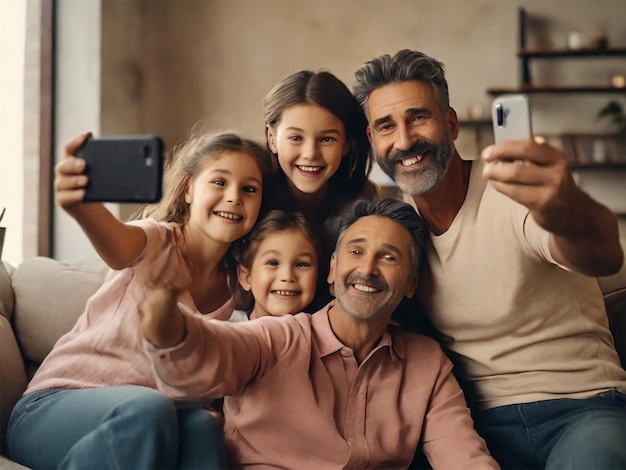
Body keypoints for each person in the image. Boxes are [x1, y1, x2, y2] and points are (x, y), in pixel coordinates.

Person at [353, 49, 626, 469]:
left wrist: (565, 207)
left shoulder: (511, 191)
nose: (405, 141)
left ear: (451, 123)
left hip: (583, 408)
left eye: (419, 117)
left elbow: (601, 253)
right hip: (472, 424)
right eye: (387, 126)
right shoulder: (395, 227)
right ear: (372, 141)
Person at [139, 198, 500, 469]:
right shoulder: (279, 338)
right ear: (332, 270)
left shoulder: (427, 362)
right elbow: (210, 353)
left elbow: (463, 455)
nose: (367, 269)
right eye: (355, 251)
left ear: (411, 285)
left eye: (388, 258)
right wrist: (168, 325)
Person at [7, 130, 273, 469]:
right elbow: (116, 246)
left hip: (149, 422)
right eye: (219, 182)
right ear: (189, 189)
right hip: (51, 410)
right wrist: (82, 206)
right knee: (151, 407)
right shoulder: (154, 241)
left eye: (249, 189)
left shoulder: (240, 288)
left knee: (203, 427)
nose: (234, 197)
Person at [263, 70, 379, 310]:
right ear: (272, 138)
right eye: (296, 137)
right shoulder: (251, 197)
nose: (310, 154)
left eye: (327, 140)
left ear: (347, 144)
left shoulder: (364, 204)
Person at [227, 209, 320, 320]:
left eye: (301, 264)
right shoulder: (222, 330)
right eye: (273, 263)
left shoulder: (319, 334)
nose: (287, 276)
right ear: (246, 277)